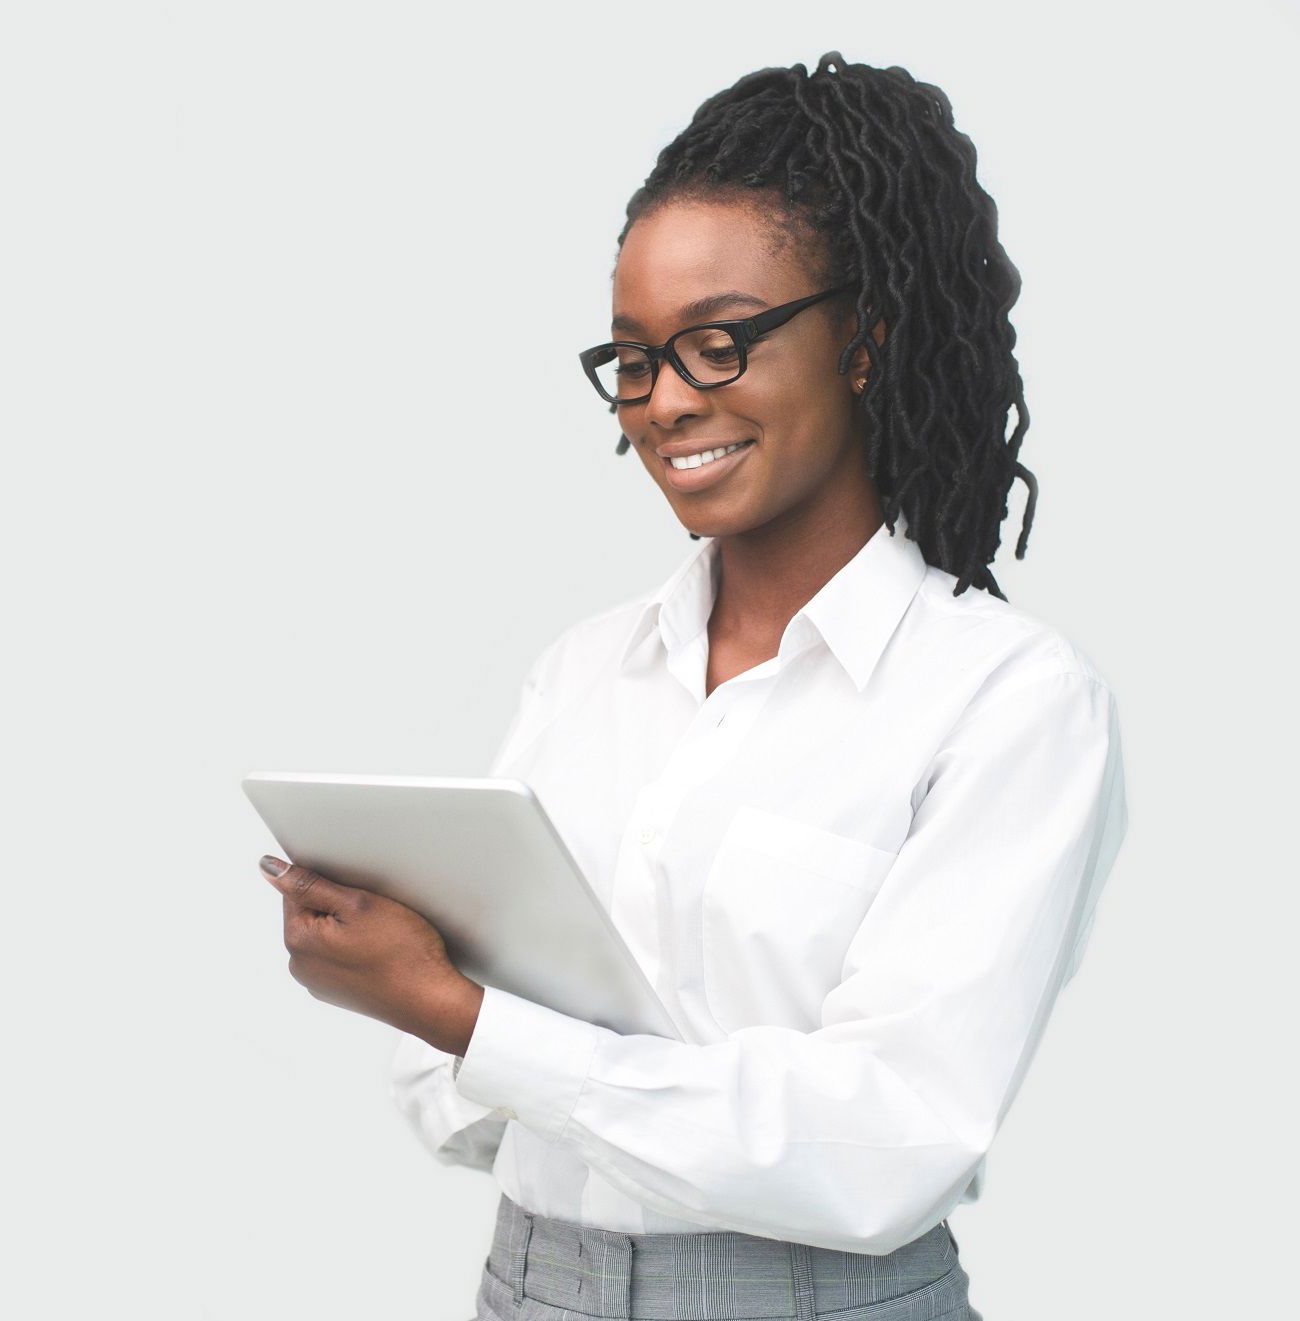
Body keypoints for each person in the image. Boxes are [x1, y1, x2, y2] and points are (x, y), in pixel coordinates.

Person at [261, 50, 1126, 1321]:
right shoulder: (583, 671)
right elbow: (451, 1102)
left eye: (714, 345)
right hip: (531, 1285)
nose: (663, 403)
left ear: (865, 343)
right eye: (631, 360)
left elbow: (886, 1141)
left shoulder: (1004, 702)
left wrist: (472, 1020)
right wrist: (433, 1007)